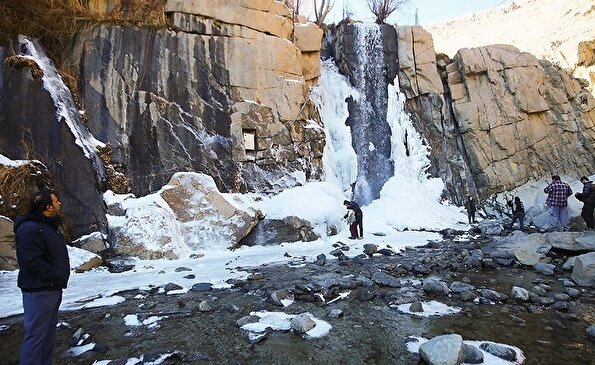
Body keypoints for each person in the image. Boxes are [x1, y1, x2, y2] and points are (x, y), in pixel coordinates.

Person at [15, 190, 70, 365]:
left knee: (47, 337)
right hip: (39, 290)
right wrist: (56, 274)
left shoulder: (46, 226)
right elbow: (30, 262)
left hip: (51, 288)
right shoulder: (29, 228)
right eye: (56, 201)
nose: (59, 204)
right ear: (48, 207)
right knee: (36, 338)